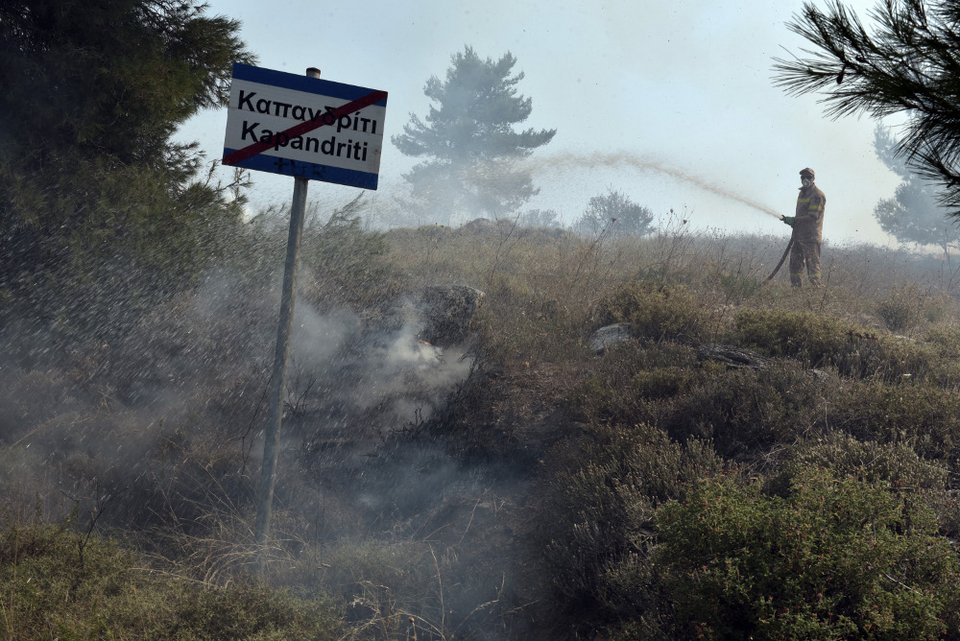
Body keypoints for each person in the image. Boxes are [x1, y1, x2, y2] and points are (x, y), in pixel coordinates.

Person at [780, 167, 826, 287]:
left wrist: (794, 220)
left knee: (813, 268)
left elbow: (812, 217)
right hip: (798, 236)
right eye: (803, 177)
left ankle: (816, 296)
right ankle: (796, 294)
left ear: (813, 179)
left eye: (808, 177)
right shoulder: (802, 193)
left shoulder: (817, 195)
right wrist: (793, 222)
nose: (805, 179)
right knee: (794, 267)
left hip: (810, 238)